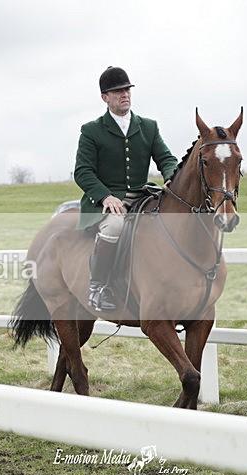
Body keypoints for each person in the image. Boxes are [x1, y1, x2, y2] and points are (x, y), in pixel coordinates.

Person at [74, 66, 177, 311]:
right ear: (105, 98)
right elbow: (83, 172)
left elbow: (166, 158)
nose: (125, 95)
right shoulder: (92, 131)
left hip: (143, 196)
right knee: (115, 225)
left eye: (127, 90)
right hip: (108, 202)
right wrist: (106, 196)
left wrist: (171, 177)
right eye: (118, 91)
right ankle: (97, 287)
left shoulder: (148, 126)